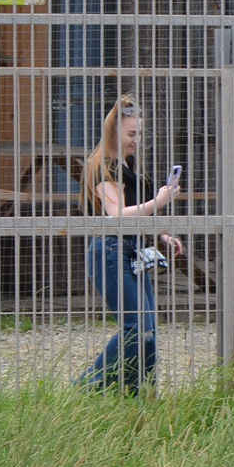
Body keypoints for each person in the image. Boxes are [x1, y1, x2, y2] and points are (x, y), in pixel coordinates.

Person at [80, 94, 183, 392]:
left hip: (132, 250)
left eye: (139, 134)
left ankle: (140, 393)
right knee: (136, 328)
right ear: (114, 132)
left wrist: (162, 234)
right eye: (131, 134)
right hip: (110, 250)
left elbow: (138, 214)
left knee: (147, 330)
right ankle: (86, 385)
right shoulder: (103, 165)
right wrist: (159, 201)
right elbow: (117, 214)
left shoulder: (130, 166)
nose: (137, 140)